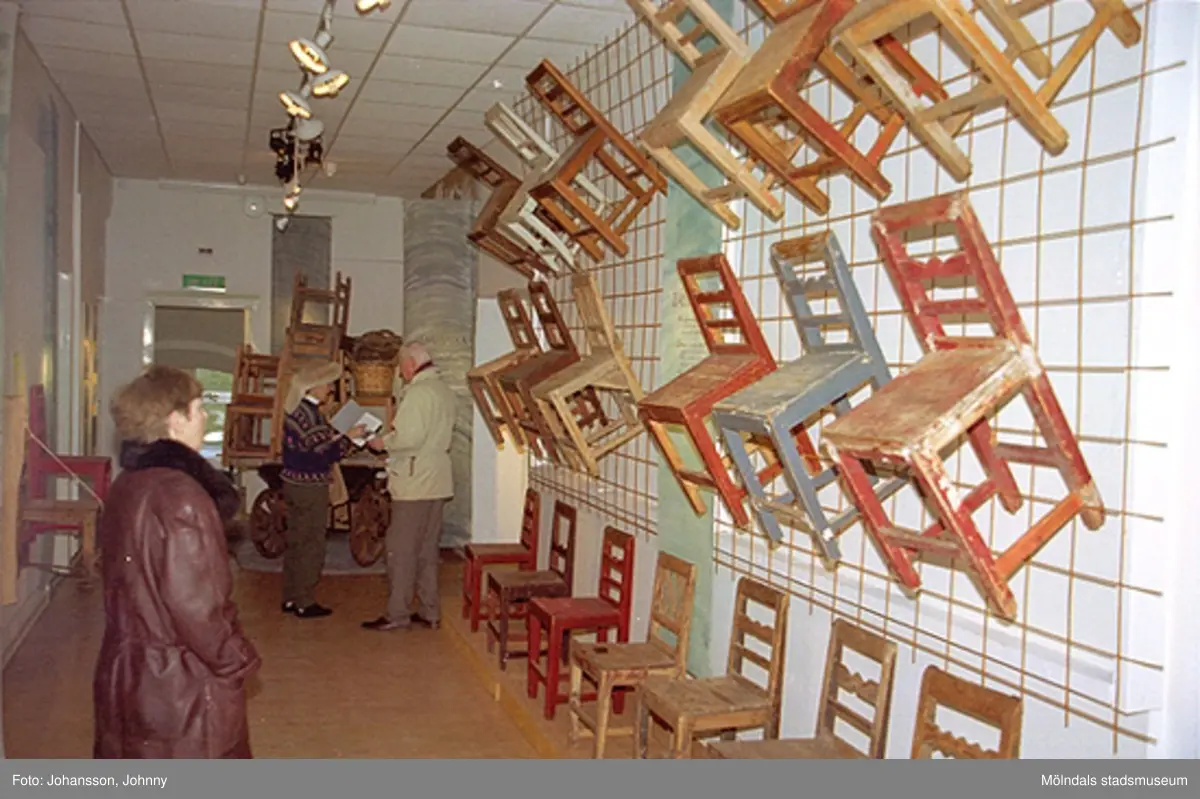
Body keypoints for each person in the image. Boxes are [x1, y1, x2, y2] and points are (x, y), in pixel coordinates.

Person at [94, 365, 261, 759]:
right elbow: (197, 606)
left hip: (127, 670)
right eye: (199, 408)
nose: (205, 417)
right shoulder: (181, 496)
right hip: (179, 685)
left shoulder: (127, 484)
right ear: (175, 419)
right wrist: (236, 659)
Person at [362, 342, 456, 632]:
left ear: (411, 364)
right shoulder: (444, 390)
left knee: (400, 551)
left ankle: (397, 613)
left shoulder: (418, 392)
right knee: (427, 551)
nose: (401, 373)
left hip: (415, 481)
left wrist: (382, 443)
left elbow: (409, 438)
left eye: (401, 367)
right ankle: (430, 611)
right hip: (437, 479)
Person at [280, 360, 365, 618]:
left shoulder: (296, 410)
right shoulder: (311, 413)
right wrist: (350, 439)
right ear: (314, 386)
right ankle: (305, 601)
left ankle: (291, 596)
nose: (330, 388)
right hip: (310, 486)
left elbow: (314, 442)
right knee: (312, 542)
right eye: (327, 384)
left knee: (296, 541)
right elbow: (323, 452)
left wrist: (339, 436)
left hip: (292, 483)